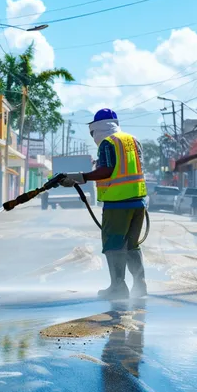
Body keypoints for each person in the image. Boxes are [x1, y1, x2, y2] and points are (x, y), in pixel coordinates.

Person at [59, 109, 148, 299]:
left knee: (114, 245)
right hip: (138, 202)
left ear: (97, 128)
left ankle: (117, 287)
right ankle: (140, 286)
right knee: (132, 245)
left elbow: (107, 170)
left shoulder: (108, 143)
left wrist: (80, 177)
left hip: (117, 203)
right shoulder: (133, 140)